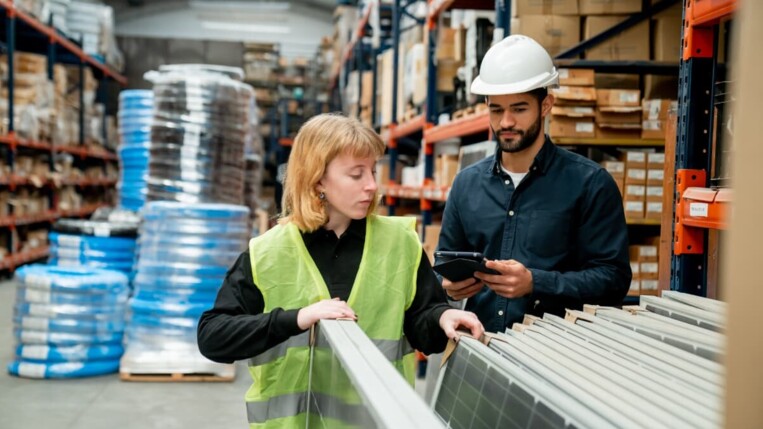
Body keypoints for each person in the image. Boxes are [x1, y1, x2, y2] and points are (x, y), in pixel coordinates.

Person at [197, 113, 483, 428]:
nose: (372, 185)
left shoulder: (400, 242)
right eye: (356, 174)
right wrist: (297, 318)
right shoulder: (267, 253)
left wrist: (443, 317)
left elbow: (421, 325)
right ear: (318, 179)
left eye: (373, 171)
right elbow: (213, 337)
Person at [436, 35, 632, 333]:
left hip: (557, 352)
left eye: (519, 109)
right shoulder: (466, 184)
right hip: (482, 343)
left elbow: (613, 279)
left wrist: (535, 282)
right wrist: (450, 285)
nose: (506, 123)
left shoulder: (590, 183)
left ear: (546, 105)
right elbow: (443, 265)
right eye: (496, 110)